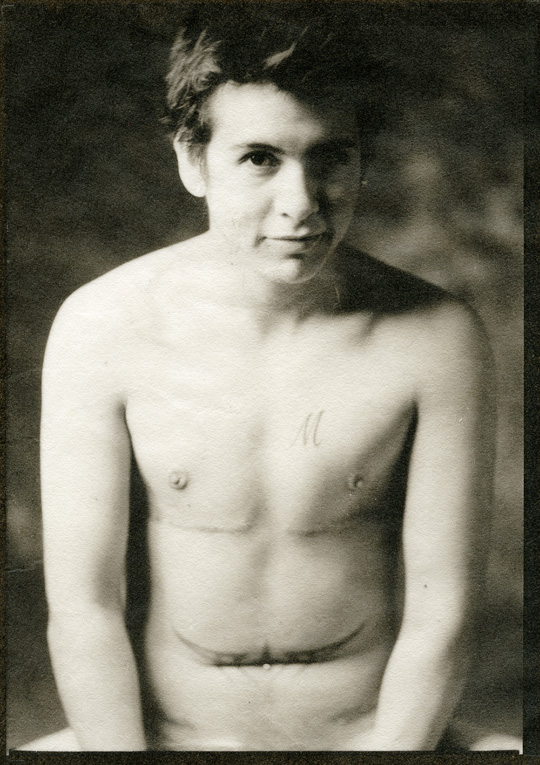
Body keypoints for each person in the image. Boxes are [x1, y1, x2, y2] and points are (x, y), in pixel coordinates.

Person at [28, 5, 519, 752]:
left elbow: (441, 612)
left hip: (374, 739)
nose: (302, 204)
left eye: (331, 157)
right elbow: (85, 608)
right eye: (260, 158)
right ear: (193, 161)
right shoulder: (100, 326)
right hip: (163, 740)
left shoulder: (436, 335)